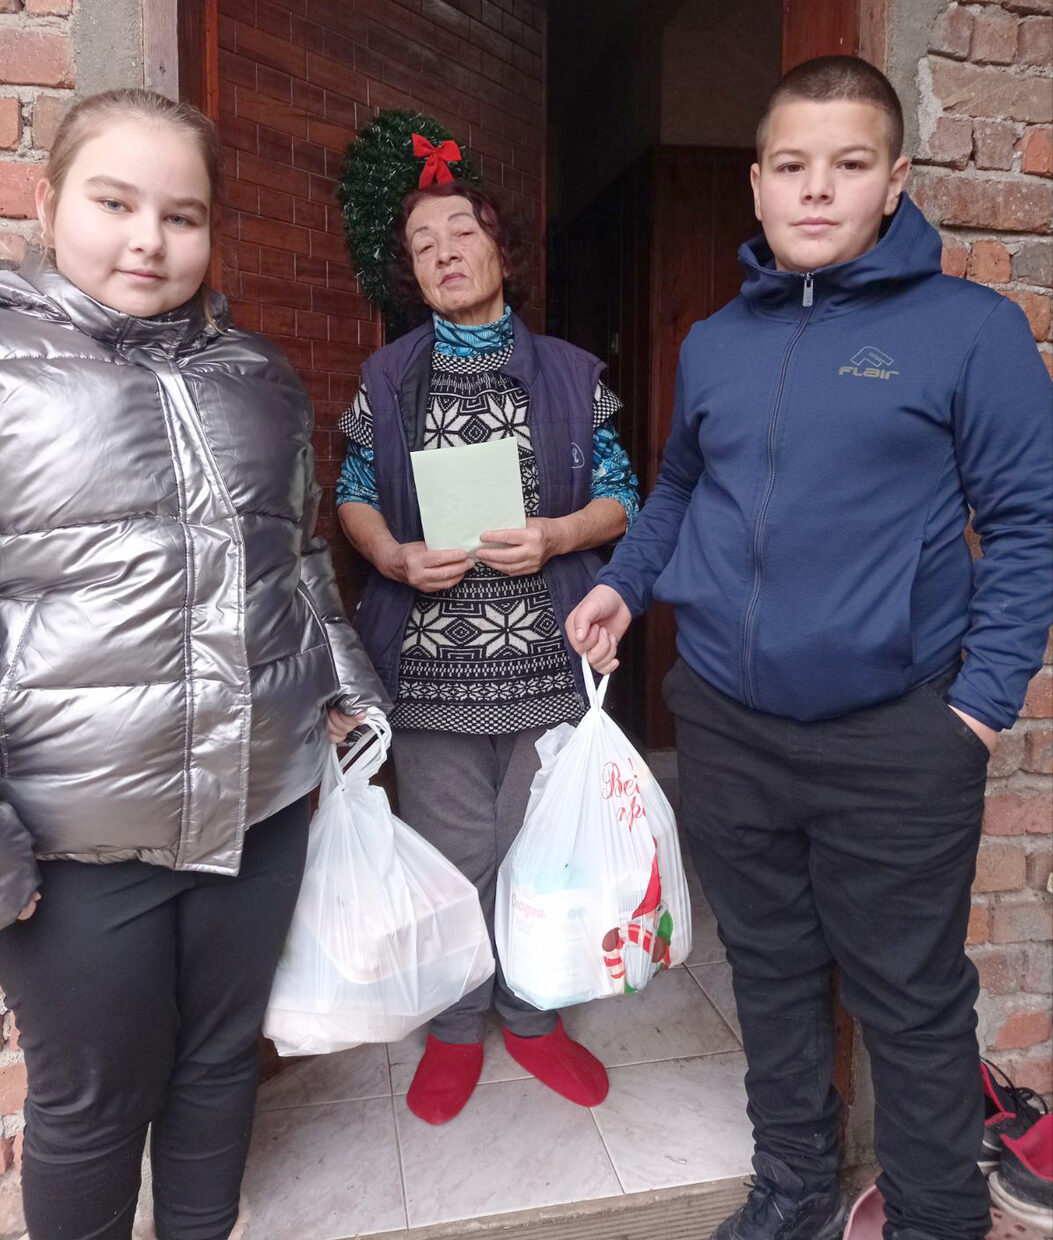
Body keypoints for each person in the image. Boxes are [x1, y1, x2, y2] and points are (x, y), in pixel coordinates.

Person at [567, 55, 1052, 1240]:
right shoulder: (714, 341)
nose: (817, 189)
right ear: (758, 183)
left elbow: (1030, 524)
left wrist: (976, 711)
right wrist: (626, 584)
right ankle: (793, 1186)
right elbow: (681, 486)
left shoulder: (970, 332)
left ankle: (936, 1215)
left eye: (848, 164)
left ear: (895, 180)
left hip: (897, 738)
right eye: (793, 165)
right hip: (729, 726)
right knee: (773, 970)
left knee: (910, 996)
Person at [0, 89, 388, 1240]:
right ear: (47, 203)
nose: (148, 241)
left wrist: (343, 683)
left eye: (181, 215)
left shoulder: (259, 376)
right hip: (73, 840)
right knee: (91, 1104)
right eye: (114, 203)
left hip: (257, 807)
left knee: (219, 1064)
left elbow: (298, 555)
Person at [337, 180, 640, 1125]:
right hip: (433, 670)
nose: (443, 252)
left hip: (548, 660)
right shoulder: (387, 378)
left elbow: (624, 495)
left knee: (541, 857)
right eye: (421, 244)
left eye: (459, 231)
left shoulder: (572, 374)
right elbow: (351, 491)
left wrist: (558, 535)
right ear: (412, 274)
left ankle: (534, 1015)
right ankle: (459, 1025)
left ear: (500, 250)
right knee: (452, 858)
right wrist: (391, 555)